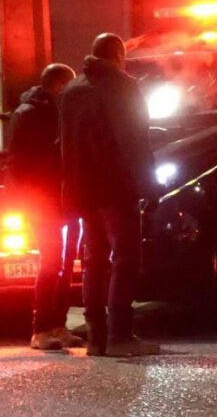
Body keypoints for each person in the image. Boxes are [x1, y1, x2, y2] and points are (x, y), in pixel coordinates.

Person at [59, 34, 159, 357]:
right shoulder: (123, 87)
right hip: (117, 187)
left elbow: (66, 145)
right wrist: (150, 186)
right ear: (118, 55)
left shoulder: (72, 90)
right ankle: (120, 335)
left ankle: (96, 337)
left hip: (84, 189)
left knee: (94, 260)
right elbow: (136, 141)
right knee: (126, 258)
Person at [9, 63, 81, 350]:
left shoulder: (55, 111)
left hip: (62, 197)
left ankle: (57, 325)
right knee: (51, 262)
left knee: (64, 263)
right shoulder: (30, 115)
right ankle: (40, 330)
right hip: (43, 199)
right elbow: (23, 162)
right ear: (59, 86)